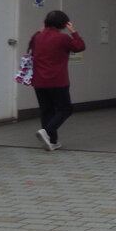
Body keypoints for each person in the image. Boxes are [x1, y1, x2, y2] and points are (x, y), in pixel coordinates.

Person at [30, 10, 86, 151]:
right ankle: (46, 132)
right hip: (58, 81)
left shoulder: (36, 37)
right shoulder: (63, 38)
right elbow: (80, 47)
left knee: (46, 111)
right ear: (63, 24)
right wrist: (73, 32)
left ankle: (52, 141)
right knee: (65, 109)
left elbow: (31, 49)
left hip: (39, 81)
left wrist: (41, 31)